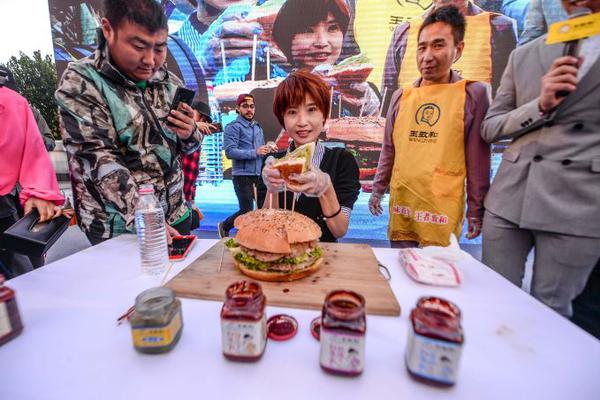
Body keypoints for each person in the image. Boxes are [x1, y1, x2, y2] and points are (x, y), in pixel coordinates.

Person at [480, 0, 600, 321]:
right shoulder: (524, 55)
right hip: (509, 199)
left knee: (550, 314)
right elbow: (491, 127)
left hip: (580, 204)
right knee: (494, 300)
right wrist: (539, 106)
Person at [55, 0, 200, 245]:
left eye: (160, 48)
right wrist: (146, 215)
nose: (150, 60)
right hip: (120, 226)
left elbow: (187, 148)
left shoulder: (169, 82)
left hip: (176, 214)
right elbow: (98, 158)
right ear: (108, 30)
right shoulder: (82, 81)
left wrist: (190, 133)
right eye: (138, 46)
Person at [368, 5, 491, 248]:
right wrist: (378, 189)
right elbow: (389, 149)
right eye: (422, 47)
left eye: (438, 45)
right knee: (402, 265)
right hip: (404, 204)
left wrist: (476, 209)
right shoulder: (401, 97)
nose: (427, 56)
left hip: (441, 209)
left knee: (439, 267)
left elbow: (478, 159)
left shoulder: (472, 94)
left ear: (458, 49)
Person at [261, 70, 361, 242]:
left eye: (311, 109)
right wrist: (272, 189)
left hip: (322, 254)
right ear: (282, 119)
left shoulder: (342, 161)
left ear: (324, 115)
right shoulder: (272, 163)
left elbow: (339, 230)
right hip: (280, 253)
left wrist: (325, 188)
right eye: (292, 112)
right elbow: (266, 228)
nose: (302, 122)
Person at [381, 0, 517, 102]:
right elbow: (387, 99)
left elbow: (507, 98)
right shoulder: (405, 31)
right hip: (412, 128)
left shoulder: (499, 27)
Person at [271, 0, 379, 117]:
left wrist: (371, 113)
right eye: (307, 30)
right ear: (287, 37)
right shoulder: (270, 95)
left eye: (332, 28)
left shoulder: (365, 92)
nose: (322, 42)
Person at [0, 83, 64, 277]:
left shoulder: (15, 104)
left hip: (16, 193)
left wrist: (39, 189)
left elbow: (41, 144)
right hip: (11, 192)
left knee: (23, 259)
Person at [219, 93, 270, 237]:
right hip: (242, 176)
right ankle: (225, 226)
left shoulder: (258, 127)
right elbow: (230, 152)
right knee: (246, 210)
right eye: (245, 106)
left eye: (252, 106)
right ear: (238, 108)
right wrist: (256, 152)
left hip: (259, 175)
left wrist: (268, 148)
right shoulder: (232, 127)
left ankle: (259, 237)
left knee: (263, 209)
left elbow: (260, 151)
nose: (249, 110)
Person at [182, 100, 218, 230]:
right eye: (200, 117)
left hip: (185, 199)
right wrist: (195, 125)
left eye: (205, 120)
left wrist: (192, 201)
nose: (203, 122)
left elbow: (192, 175)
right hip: (174, 199)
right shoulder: (179, 133)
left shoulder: (197, 140)